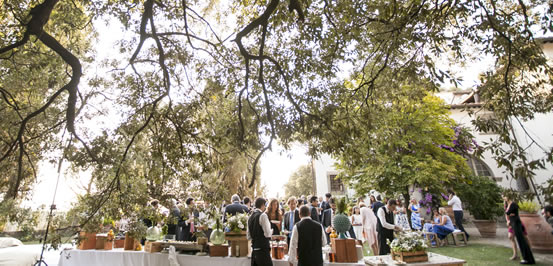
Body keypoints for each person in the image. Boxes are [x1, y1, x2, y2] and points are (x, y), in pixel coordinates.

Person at [504, 193, 535, 265]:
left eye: (505, 196)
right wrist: (509, 217)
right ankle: (526, 258)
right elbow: (508, 213)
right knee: (519, 240)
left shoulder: (513, 204)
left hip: (516, 223)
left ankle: (527, 258)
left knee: (522, 240)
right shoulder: (507, 204)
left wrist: (509, 214)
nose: (503, 197)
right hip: (513, 223)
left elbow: (508, 212)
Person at [247, 197, 273, 266]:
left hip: (254, 251)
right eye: (265, 205)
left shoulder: (250, 217)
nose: (265, 207)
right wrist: (272, 231)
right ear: (262, 205)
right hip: (263, 251)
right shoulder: (263, 215)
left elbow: (248, 236)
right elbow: (267, 234)